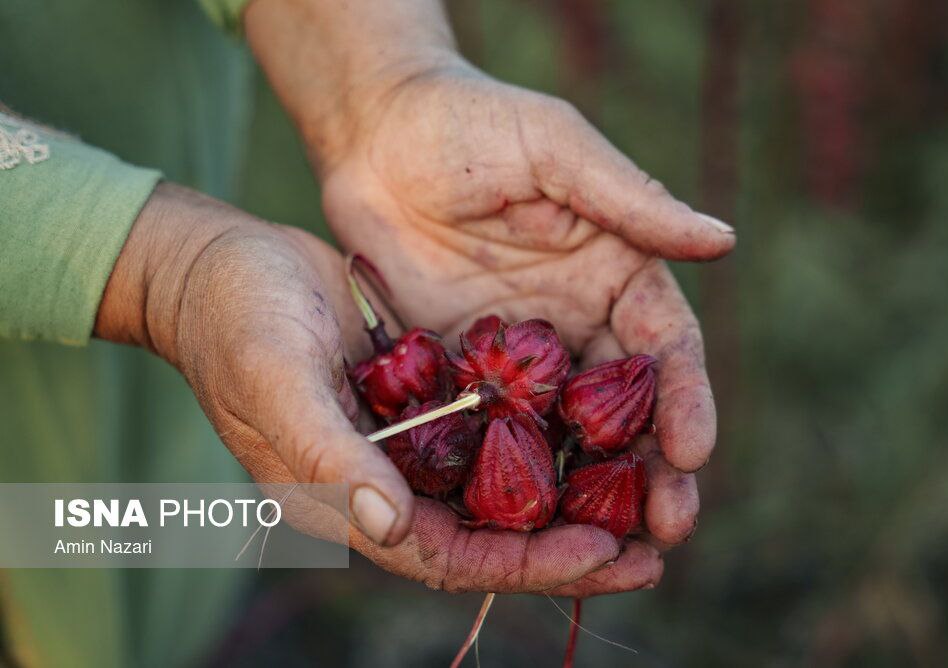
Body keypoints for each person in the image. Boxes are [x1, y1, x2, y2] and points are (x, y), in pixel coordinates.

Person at [0, 1, 735, 665]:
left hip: (140, 507)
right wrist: (165, 269)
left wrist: (386, 84)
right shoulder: (482, 395)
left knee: (142, 597)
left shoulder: (469, 388)